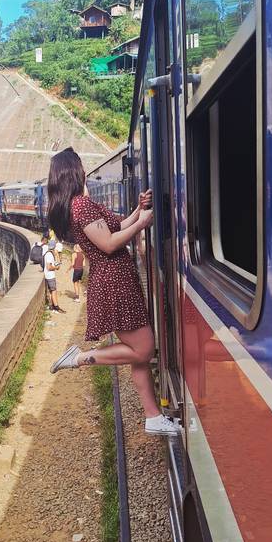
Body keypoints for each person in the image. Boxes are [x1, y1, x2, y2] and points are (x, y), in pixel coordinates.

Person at [48, 147, 178, 436]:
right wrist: (143, 223)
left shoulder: (82, 204)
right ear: (73, 170)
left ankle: (152, 416)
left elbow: (117, 225)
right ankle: (79, 358)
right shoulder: (80, 206)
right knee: (143, 348)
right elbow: (108, 243)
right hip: (114, 282)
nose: (84, 168)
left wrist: (138, 210)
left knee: (138, 355)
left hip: (117, 279)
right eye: (80, 164)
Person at [44, 238, 65, 313]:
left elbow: (58, 266)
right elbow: (49, 267)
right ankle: (56, 306)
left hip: (50, 275)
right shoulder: (49, 255)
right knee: (54, 290)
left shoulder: (51, 254)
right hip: (50, 276)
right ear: (54, 246)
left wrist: (57, 256)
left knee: (51, 290)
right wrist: (55, 267)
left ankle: (52, 306)